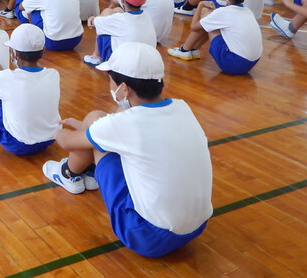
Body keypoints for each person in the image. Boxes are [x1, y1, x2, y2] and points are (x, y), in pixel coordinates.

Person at [43, 42, 213, 258]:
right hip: (197, 226)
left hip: (148, 237)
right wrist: (87, 127)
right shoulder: (182, 107)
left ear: (124, 88)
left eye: (111, 81)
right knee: (97, 126)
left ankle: (68, 174)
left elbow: (67, 142)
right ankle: (82, 171)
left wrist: (52, 128)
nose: (111, 87)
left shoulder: (125, 124)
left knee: (95, 124)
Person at [0, 24, 60, 155]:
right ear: (42, 50)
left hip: (16, 143)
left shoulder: (6, 78)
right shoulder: (54, 74)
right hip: (50, 138)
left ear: (14, 53)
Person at [168, 0, 261, 75]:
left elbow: (194, 27)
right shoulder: (248, 11)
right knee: (211, 20)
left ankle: (184, 50)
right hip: (250, 64)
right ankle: (193, 50)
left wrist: (200, 5)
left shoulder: (224, 12)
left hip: (233, 64)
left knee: (209, 17)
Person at [84, 0, 156, 65]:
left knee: (106, 14)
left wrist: (92, 18)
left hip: (122, 65)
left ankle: (96, 57)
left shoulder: (119, 20)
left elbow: (95, 22)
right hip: (146, 63)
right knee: (117, 10)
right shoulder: (147, 16)